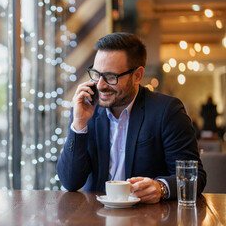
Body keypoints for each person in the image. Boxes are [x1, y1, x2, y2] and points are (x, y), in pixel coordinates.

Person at [56, 32, 206, 204]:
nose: (100, 85)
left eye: (111, 77)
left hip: (148, 216)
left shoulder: (167, 111)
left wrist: (161, 187)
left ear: (137, 76)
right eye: (96, 74)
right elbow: (70, 182)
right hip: (95, 215)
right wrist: (79, 124)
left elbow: (194, 177)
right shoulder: (87, 110)